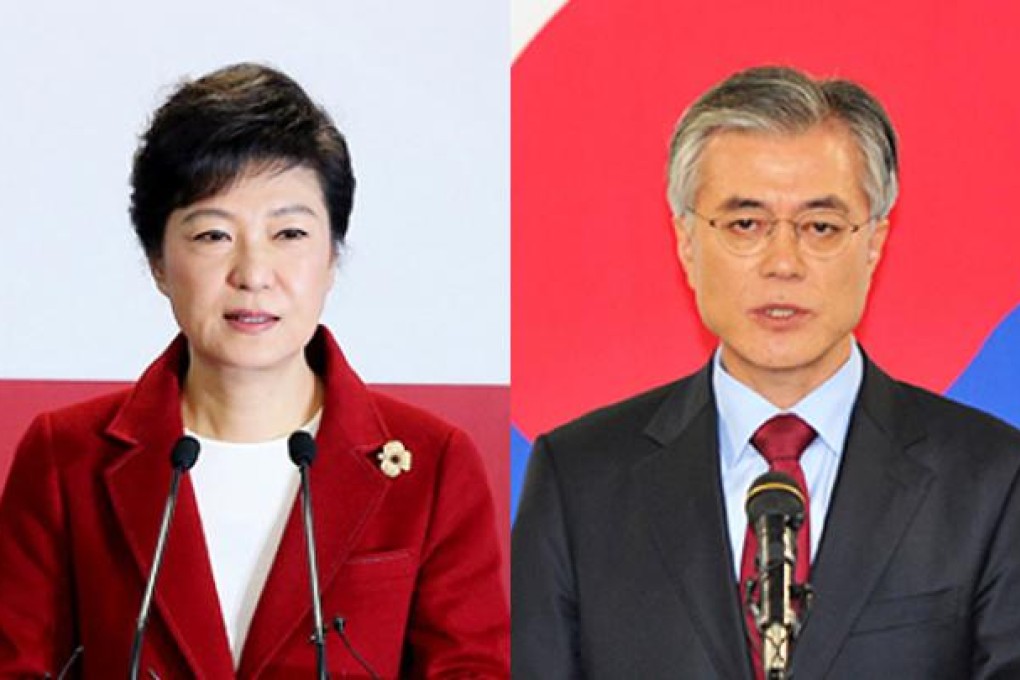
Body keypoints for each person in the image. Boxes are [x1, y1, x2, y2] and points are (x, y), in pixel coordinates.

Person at [0, 63, 509, 678]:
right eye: (214, 235)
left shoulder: (430, 465)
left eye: (288, 233)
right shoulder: (66, 459)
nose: (254, 273)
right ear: (158, 262)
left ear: (331, 257)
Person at [512, 66, 1020, 678]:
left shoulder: (992, 480)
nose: (783, 262)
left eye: (820, 227)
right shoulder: (579, 480)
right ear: (686, 242)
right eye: (745, 225)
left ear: (874, 243)